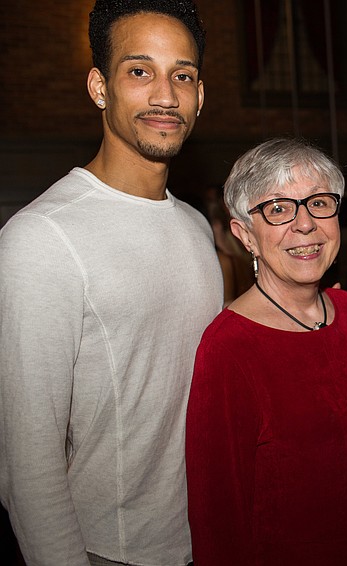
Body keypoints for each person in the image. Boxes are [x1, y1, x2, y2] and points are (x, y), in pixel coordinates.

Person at [0, 2, 221, 565]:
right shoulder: (41, 237)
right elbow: (27, 461)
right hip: (106, 551)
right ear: (100, 86)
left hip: (210, 538)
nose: (166, 96)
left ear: (201, 94)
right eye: (140, 71)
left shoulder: (196, 227)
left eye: (183, 75)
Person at [185, 138, 347, 565]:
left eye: (319, 203)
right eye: (278, 209)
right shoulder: (229, 348)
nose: (305, 225)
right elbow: (217, 518)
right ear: (245, 235)